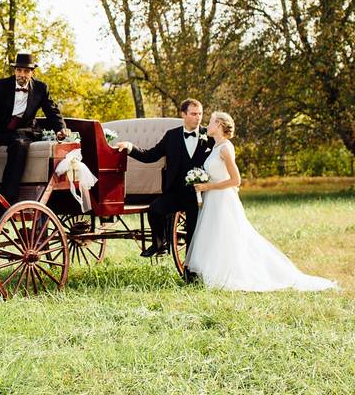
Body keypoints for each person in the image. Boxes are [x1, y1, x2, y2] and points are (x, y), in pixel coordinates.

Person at [185, 112, 337, 291]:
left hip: (223, 200)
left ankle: (230, 276)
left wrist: (208, 187)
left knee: (228, 237)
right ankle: (213, 274)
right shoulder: (215, 147)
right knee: (214, 237)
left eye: (210, 122)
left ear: (218, 125)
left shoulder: (226, 148)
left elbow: (236, 180)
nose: (207, 124)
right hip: (213, 200)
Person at [113, 99, 213, 260]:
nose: (198, 117)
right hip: (175, 192)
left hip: (198, 196)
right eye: (194, 114)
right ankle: (160, 244)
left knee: (192, 234)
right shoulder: (171, 136)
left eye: (200, 113)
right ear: (183, 115)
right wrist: (130, 147)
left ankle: (190, 272)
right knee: (155, 209)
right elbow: (150, 155)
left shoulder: (208, 136)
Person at [0, 51, 66, 204]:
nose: (22, 74)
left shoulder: (41, 88)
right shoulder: (1, 85)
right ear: (15, 71)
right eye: (19, 70)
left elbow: (52, 111)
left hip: (25, 131)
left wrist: (60, 129)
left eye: (26, 71)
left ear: (31, 73)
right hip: (1, 129)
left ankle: (7, 195)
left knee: (19, 144)